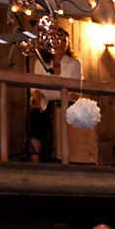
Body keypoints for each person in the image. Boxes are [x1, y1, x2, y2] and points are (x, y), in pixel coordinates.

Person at [28, 26, 82, 162]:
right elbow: (36, 88)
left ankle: (64, 158)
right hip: (46, 103)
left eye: (64, 41)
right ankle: (36, 160)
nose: (62, 44)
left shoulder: (74, 63)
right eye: (58, 40)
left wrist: (67, 104)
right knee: (35, 117)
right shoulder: (41, 62)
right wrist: (36, 103)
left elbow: (76, 90)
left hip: (66, 104)